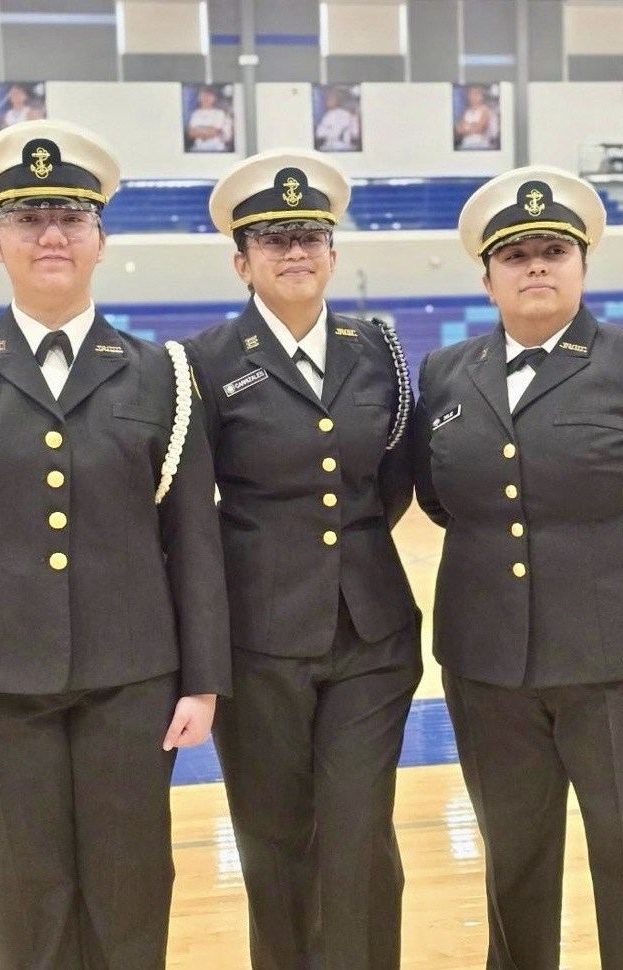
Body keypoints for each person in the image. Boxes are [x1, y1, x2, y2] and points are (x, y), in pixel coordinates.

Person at [0, 118, 231, 970]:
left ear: (100, 240)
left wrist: (203, 679)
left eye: (70, 219)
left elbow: (192, 536)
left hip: (131, 681)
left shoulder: (163, 372)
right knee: (25, 898)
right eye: (28, 219)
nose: (51, 235)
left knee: (130, 894)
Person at [183, 148, 422, 970]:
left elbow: (389, 485)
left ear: (332, 250)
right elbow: (190, 509)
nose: (295, 251)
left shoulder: (378, 350)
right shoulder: (203, 363)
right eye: (274, 238)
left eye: (311, 235)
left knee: (359, 837)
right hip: (257, 640)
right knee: (275, 842)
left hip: (371, 636)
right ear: (241, 259)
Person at [414, 164, 623, 970]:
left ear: (584, 265)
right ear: (488, 277)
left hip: (620, 664)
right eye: (517, 256)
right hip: (489, 667)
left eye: (555, 249)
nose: (538, 266)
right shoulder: (446, 374)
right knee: (513, 864)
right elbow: (440, 499)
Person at [185, 84, 233, 152]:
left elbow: (214, 132)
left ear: (214, 98)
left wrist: (199, 130)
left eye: (209, 96)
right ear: (199, 98)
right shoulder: (195, 114)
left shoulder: (219, 113)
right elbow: (191, 133)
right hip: (198, 149)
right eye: (204, 95)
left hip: (217, 149)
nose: (206, 98)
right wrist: (207, 130)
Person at [314, 87, 361, 152]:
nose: (328, 102)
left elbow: (355, 134)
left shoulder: (351, 116)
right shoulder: (330, 114)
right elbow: (319, 133)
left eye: (331, 99)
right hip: (331, 147)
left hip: (347, 148)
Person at [454, 84, 494, 150]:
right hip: (466, 144)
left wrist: (465, 129)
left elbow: (477, 129)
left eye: (476, 94)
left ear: (481, 96)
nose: (473, 97)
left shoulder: (485, 111)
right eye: (471, 94)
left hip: (480, 146)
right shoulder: (467, 112)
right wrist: (469, 129)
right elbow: (458, 129)